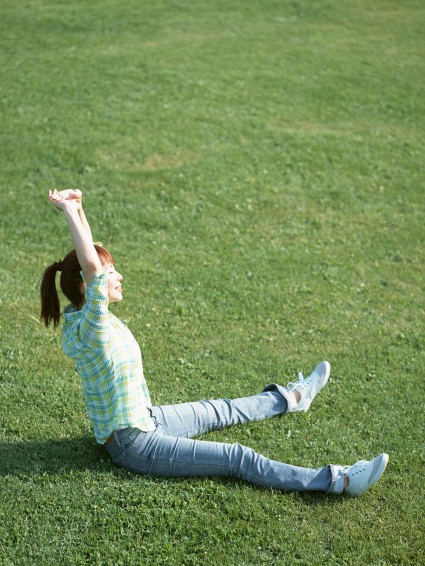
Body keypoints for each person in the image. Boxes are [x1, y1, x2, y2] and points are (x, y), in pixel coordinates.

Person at [40, 188, 389, 497]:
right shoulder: (93, 328)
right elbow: (92, 267)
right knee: (237, 457)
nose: (119, 276)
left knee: (222, 409)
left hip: (146, 419)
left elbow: (91, 262)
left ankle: (293, 399)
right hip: (134, 444)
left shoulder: (85, 315)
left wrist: (78, 207)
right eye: (111, 273)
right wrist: (69, 212)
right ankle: (338, 480)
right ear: (88, 285)